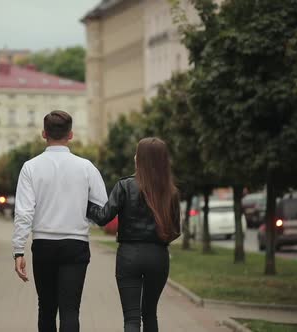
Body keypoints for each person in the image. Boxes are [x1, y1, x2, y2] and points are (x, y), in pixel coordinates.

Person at [12, 110, 108, 332]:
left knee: (46, 308)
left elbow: (24, 212)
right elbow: (102, 208)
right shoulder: (86, 167)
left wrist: (18, 250)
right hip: (76, 244)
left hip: (44, 245)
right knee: (70, 310)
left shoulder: (30, 167)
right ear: (71, 135)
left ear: (44, 134)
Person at [86, 137, 181, 332]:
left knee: (131, 318)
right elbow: (175, 230)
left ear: (141, 159)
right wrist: (158, 240)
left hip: (128, 255)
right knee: (150, 313)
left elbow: (103, 217)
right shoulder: (171, 192)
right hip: (158, 256)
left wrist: (85, 202)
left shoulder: (125, 186)